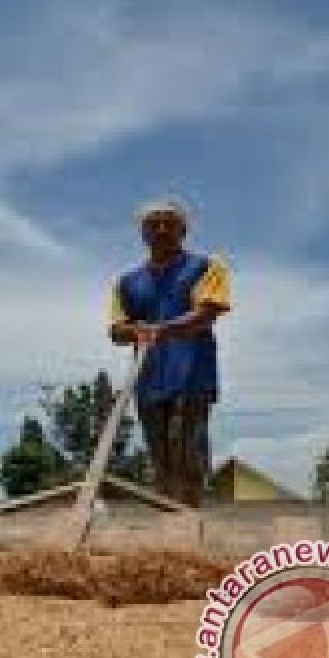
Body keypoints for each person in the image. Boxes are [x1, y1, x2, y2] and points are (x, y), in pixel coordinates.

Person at [108, 198, 231, 508]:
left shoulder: (206, 266)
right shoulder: (126, 282)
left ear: (183, 231)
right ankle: (168, 534)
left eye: (170, 223)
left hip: (193, 376)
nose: (161, 229)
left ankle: (189, 526)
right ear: (143, 233)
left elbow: (206, 313)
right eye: (153, 224)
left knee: (188, 455)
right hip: (148, 379)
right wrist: (134, 331)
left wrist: (160, 330)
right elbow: (116, 330)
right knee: (160, 460)